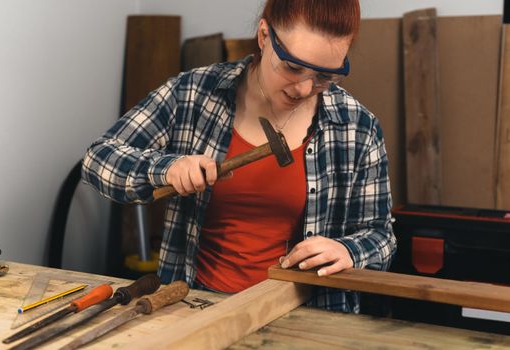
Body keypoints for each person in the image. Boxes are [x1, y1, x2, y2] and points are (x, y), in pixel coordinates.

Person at [82, 0, 397, 313]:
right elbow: (98, 160)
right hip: (194, 304)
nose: (303, 88)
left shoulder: (356, 126)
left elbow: (382, 236)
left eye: (324, 76)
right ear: (264, 36)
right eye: (293, 67)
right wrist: (166, 168)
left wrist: (349, 250)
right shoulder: (193, 94)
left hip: (304, 313)